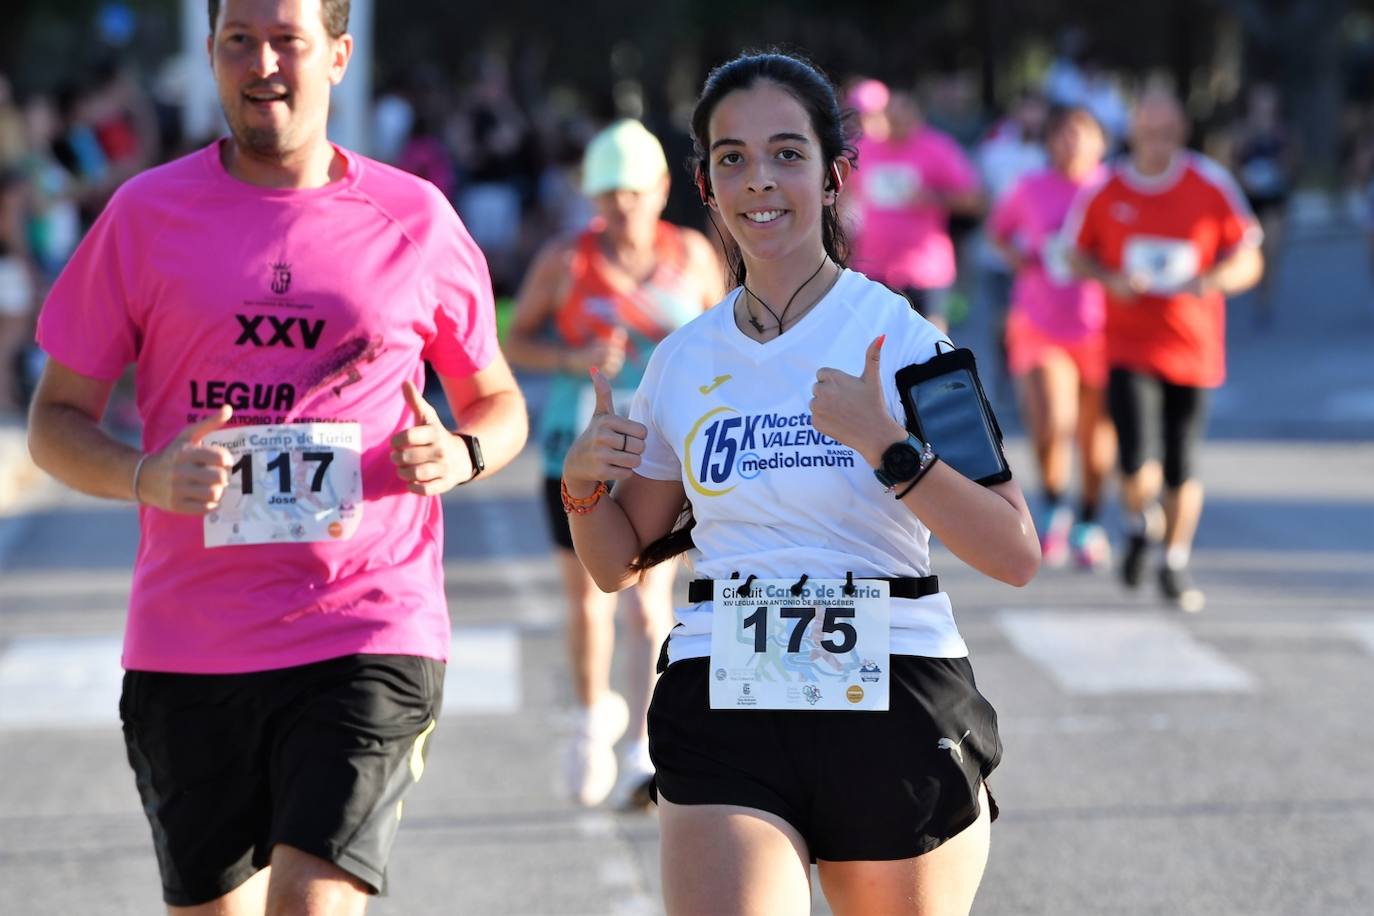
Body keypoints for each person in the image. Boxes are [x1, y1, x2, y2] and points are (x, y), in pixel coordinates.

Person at [25, 1, 527, 912]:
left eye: (286, 40)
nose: (263, 64)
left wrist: (461, 451)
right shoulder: (145, 215)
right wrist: (145, 475)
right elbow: (54, 419)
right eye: (238, 43)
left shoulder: (413, 216)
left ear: (336, 55)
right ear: (213, 58)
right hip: (190, 645)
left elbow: (499, 401)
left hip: (369, 622)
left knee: (312, 901)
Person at [561, 51, 1040, 915]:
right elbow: (614, 564)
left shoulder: (911, 343)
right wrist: (581, 486)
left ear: (833, 177)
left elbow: (1013, 551)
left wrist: (892, 449)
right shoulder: (681, 362)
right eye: (732, 158)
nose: (760, 181)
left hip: (895, 685)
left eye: (787, 153)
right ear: (705, 184)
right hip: (725, 688)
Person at [504, 119, 722, 807]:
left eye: (634, 190)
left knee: (650, 604)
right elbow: (514, 342)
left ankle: (642, 749)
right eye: (609, 193)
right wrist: (571, 358)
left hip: (664, 455)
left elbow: (726, 342)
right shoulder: (566, 261)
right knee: (589, 601)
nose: (622, 205)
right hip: (579, 451)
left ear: (662, 188)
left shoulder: (693, 255)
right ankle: (592, 721)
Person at [1065, 89, 1263, 612]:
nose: (1158, 142)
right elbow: (1072, 253)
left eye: (1168, 132)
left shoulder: (1210, 184)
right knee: (1135, 463)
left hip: (1194, 348)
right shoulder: (1106, 188)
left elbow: (1249, 258)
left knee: (1182, 464)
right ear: (1134, 133)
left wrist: (1212, 279)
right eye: (1149, 131)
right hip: (1129, 346)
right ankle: (1137, 523)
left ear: (1181, 132)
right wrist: (1111, 279)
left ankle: (1173, 561)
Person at [988, 105, 1114, 569]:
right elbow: (998, 233)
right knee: (1052, 421)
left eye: (1082, 134)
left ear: (1101, 142)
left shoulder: (1111, 189)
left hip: (1103, 327)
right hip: (1040, 322)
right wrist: (1019, 258)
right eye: (1062, 135)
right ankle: (1055, 505)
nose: (1071, 143)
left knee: (1095, 432)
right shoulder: (1029, 188)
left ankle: (1089, 518)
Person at [847, 84, 983, 333]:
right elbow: (844, 195)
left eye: (904, 110)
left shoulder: (938, 148)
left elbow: (974, 200)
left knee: (930, 353)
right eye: (891, 111)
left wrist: (933, 198)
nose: (897, 117)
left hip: (926, 272)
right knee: (878, 351)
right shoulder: (865, 150)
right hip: (873, 269)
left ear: (917, 113)